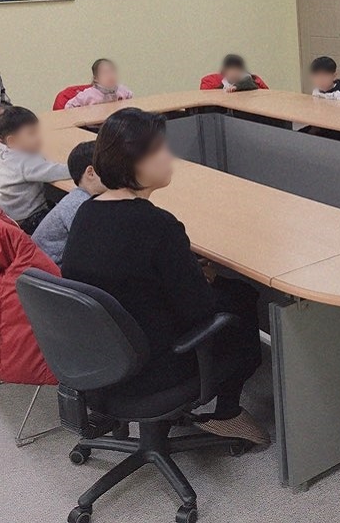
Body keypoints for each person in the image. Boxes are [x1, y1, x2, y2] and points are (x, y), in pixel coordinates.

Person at [61, 108, 269, 445]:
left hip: (103, 364)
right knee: (241, 298)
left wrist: (183, 267)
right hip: (153, 369)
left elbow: (128, 273)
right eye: (160, 149)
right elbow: (199, 310)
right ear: (134, 162)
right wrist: (205, 277)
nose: (169, 156)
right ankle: (227, 413)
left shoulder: (87, 211)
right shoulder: (158, 225)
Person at [0, 106, 70, 234]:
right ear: (12, 141)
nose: (39, 137)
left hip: (13, 211)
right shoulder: (24, 162)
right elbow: (53, 172)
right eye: (32, 133)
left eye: (38, 132)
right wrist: (77, 167)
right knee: (69, 214)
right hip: (29, 218)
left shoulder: (8, 154)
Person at [32, 141, 105, 265]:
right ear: (90, 173)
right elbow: (94, 246)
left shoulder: (80, 197)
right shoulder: (78, 205)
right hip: (50, 268)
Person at [64, 58, 134, 108]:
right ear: (96, 79)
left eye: (112, 71)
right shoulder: (88, 94)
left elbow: (131, 101)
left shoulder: (122, 90)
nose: (110, 76)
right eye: (105, 73)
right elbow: (69, 106)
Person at [199, 54, 269, 92]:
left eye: (238, 70)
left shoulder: (248, 79)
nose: (235, 74)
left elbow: (249, 84)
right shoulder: (222, 82)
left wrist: (236, 87)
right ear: (225, 71)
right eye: (232, 70)